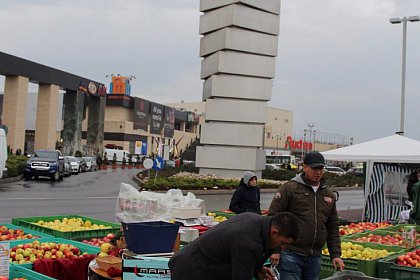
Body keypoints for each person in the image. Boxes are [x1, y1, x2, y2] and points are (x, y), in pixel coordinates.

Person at [268, 151, 344, 280]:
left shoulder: (328, 194)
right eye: (314, 168)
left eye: (320, 168)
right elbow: (273, 218)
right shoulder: (290, 189)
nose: (318, 172)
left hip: (315, 256)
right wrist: (275, 251)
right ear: (304, 167)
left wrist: (335, 254)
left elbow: (332, 226)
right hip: (291, 253)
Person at [169, 212, 299, 280]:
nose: (282, 248)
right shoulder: (248, 242)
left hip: (201, 266)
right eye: (283, 243)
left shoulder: (255, 220)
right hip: (192, 271)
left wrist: (257, 269)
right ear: (274, 232)